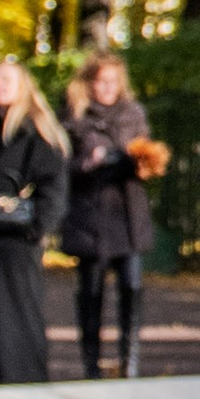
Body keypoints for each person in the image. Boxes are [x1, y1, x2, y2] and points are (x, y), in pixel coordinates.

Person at [0, 59, 70, 385]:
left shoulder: (38, 135)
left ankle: (22, 392)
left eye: (6, 80)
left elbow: (53, 191)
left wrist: (34, 226)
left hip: (16, 245)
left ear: (23, 87)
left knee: (16, 323)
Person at [63, 52, 158, 377]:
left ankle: (129, 360)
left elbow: (148, 156)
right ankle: (91, 363)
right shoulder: (74, 116)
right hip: (91, 214)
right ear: (89, 83)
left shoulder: (133, 114)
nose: (107, 87)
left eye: (113, 81)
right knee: (91, 290)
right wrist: (89, 163)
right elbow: (63, 166)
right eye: (101, 81)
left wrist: (142, 160)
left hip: (128, 214)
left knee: (131, 286)